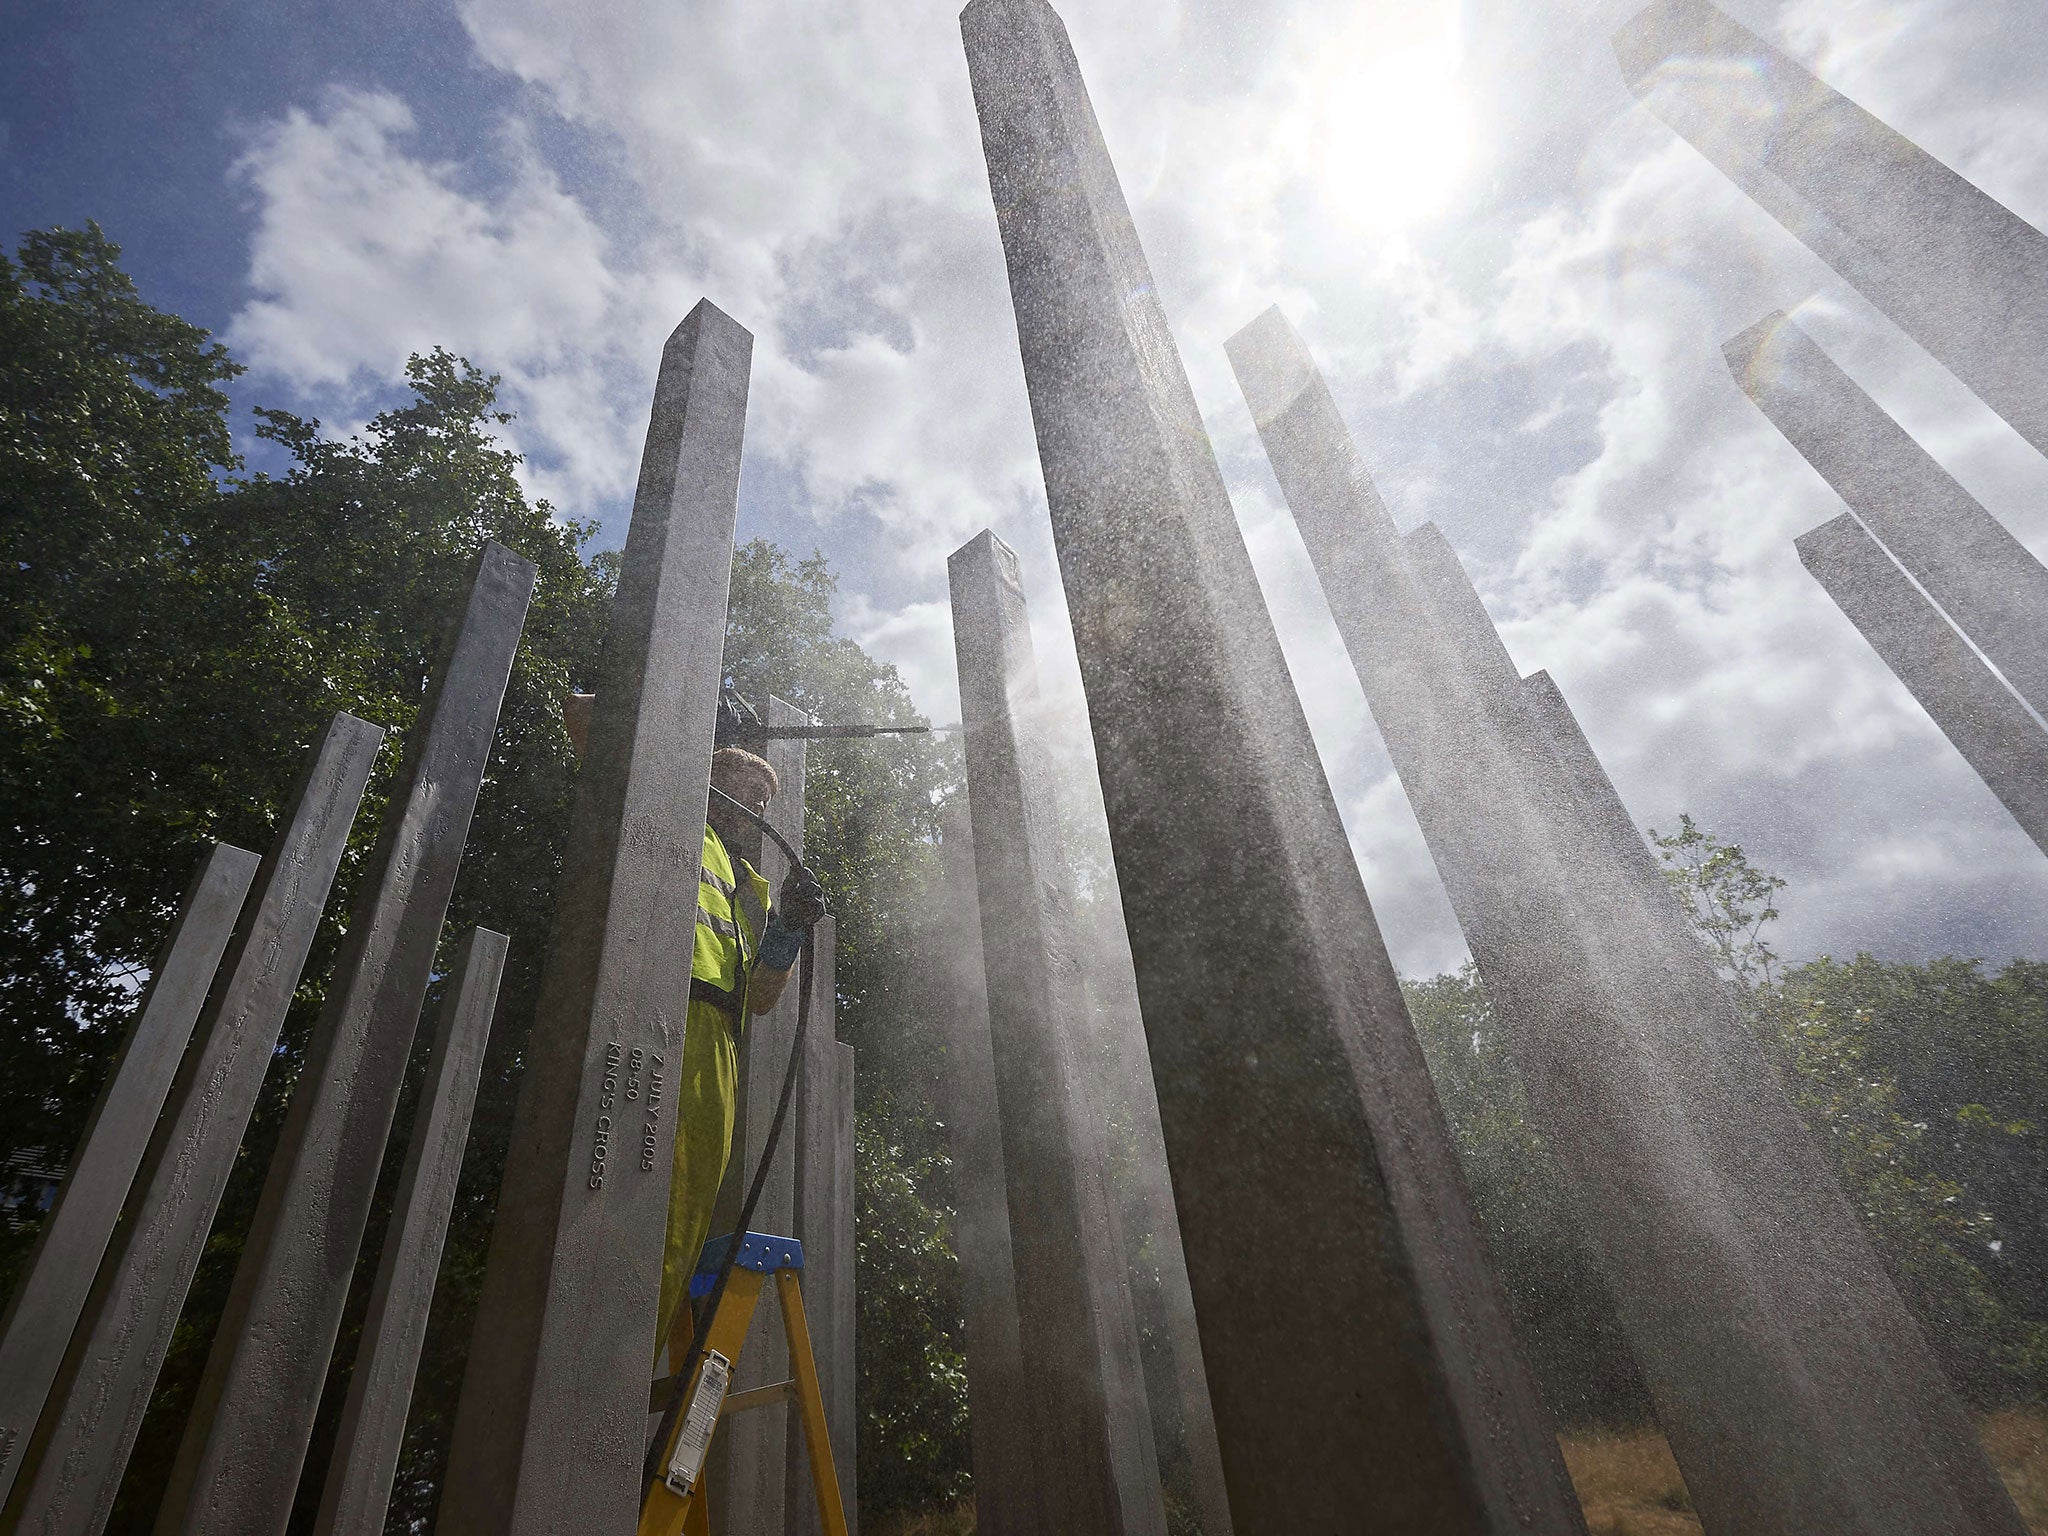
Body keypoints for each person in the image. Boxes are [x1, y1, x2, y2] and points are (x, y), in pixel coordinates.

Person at [561, 693, 826, 1366]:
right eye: (744, 787)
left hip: (721, 1050)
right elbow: (585, 717)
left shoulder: (752, 889)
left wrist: (790, 929)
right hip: (657, 1011)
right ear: (708, 784)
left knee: (684, 1212)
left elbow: (763, 1000)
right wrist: (690, 699)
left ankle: (624, 1368)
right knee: (624, 1184)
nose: (757, 807)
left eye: (765, 799)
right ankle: (584, 1362)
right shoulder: (674, 819)